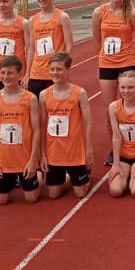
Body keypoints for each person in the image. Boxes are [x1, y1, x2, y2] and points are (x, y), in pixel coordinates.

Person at [92, 0, 135, 166]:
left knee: (129, 107)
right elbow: (97, 39)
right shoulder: (99, 12)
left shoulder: (133, 13)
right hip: (106, 65)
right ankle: (116, 148)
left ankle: (134, 147)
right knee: (110, 108)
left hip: (127, 64)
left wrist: (130, 59)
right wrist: (107, 56)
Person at [0, 55, 40, 205]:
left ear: (19, 74)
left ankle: (39, 173)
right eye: (2, 73)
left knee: (31, 198)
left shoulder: (30, 99)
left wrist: (32, 160)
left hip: (24, 158)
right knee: (2, 200)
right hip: (3, 159)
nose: (5, 76)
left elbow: (36, 130)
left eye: (10, 73)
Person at [39, 52, 95, 199]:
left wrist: (88, 150)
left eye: (59, 69)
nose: (54, 73)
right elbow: (42, 126)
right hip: (54, 151)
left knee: (80, 194)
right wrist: (43, 154)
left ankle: (84, 175)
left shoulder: (79, 93)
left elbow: (88, 122)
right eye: (52, 69)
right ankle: (68, 177)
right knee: (53, 194)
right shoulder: (44, 95)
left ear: (68, 69)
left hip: (74, 151)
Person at [108, 70, 135, 198]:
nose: (126, 91)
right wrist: (115, 164)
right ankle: (125, 174)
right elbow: (116, 137)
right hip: (123, 156)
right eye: (123, 87)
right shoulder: (113, 107)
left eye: (130, 87)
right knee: (116, 191)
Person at [26, 0, 73, 98]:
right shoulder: (32, 20)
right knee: (36, 111)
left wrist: (64, 69)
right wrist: (27, 74)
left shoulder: (62, 17)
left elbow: (69, 47)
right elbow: (31, 49)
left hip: (55, 73)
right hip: (36, 73)